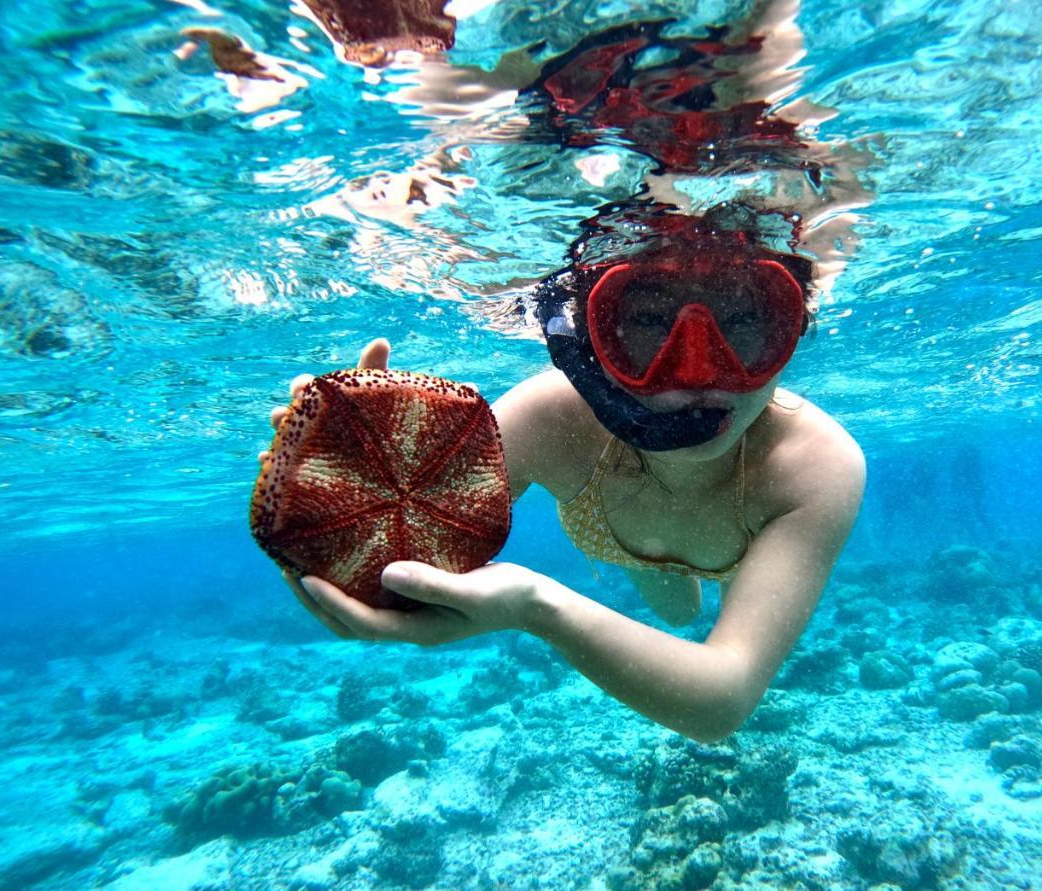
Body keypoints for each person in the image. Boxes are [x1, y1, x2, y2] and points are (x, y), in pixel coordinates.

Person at [258, 1, 868, 744]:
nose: (701, 374)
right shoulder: (554, 416)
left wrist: (536, 606)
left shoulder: (814, 465)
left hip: (724, 535)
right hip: (613, 534)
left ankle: (673, 571)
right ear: (586, 335)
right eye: (644, 323)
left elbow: (720, 700)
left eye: (746, 322)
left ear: (795, 325)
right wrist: (331, 475)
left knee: (686, 612)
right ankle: (659, 572)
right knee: (670, 603)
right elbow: (394, 557)